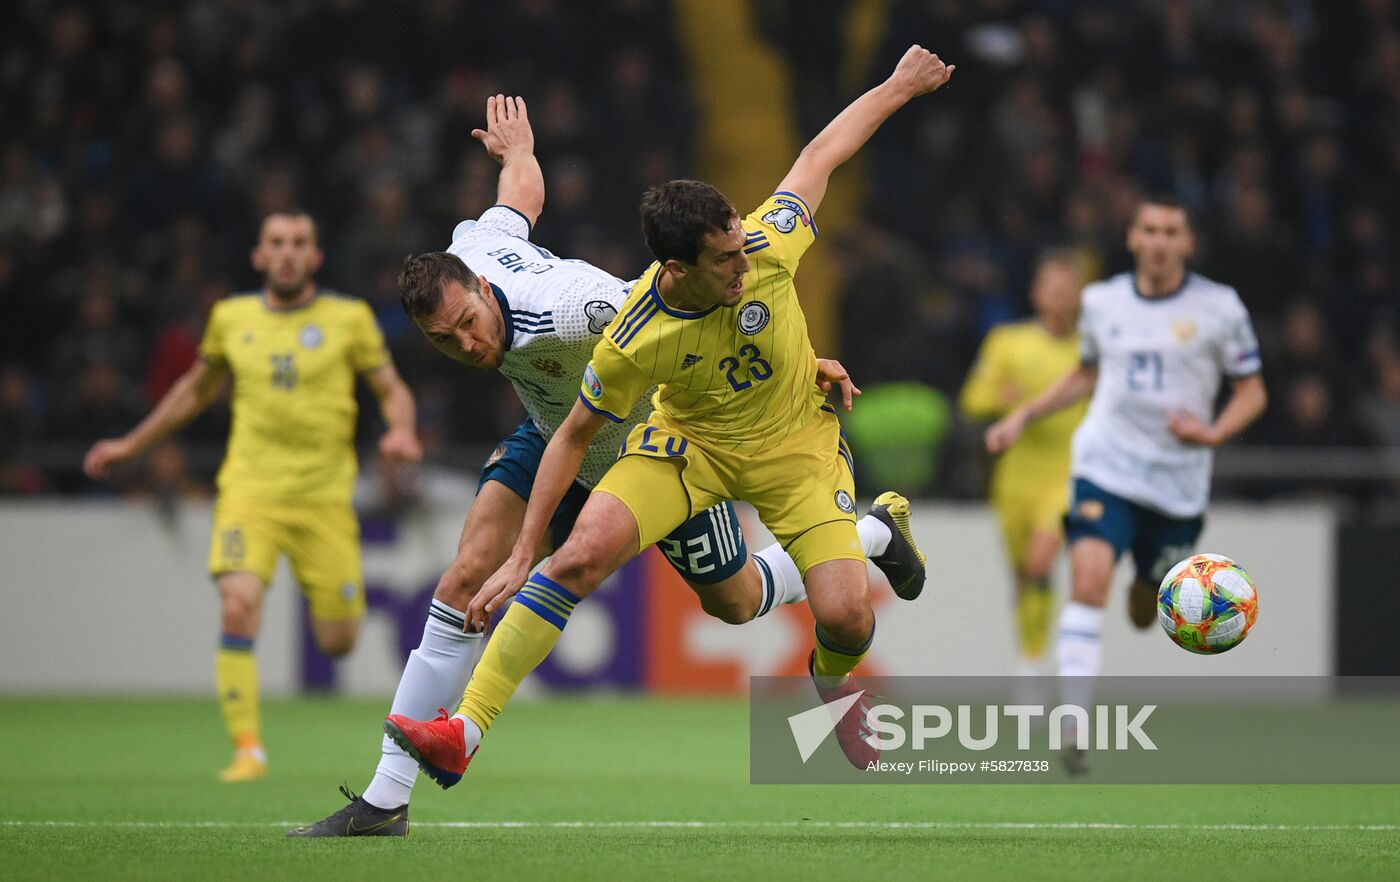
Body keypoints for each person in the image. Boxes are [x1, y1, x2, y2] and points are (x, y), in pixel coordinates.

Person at [288, 96, 922, 836]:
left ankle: (870, 535)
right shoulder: (476, 252)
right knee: (467, 578)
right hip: (556, 427)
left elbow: (687, 318)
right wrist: (518, 153)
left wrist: (800, 362)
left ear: (487, 296)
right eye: (445, 340)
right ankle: (386, 798)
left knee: (738, 600)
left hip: (658, 434)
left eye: (469, 325)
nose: (466, 345)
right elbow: (517, 201)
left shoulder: (583, 308)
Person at [83, 211, 422, 782]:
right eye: (276, 244)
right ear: (258, 257)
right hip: (249, 492)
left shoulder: (349, 319)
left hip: (323, 500)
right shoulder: (231, 318)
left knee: (340, 640)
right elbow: (194, 391)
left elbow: (391, 389)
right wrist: (132, 444)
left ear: (315, 257)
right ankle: (247, 750)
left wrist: (402, 430)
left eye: (299, 244)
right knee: (238, 602)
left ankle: (274, 712)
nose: (287, 253)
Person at [984, 196, 1267, 772]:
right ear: (1133, 239)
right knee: (1087, 582)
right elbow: (1087, 373)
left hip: (1177, 484)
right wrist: (1022, 415)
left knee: (1145, 608)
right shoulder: (1101, 301)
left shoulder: (1220, 308)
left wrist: (1213, 435)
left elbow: (1252, 391)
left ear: (1188, 244)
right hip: (1105, 466)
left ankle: (1148, 586)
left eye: (1172, 232)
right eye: (1149, 230)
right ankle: (1075, 726)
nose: (1160, 241)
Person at [959, 250, 1085, 675]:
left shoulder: (1090, 352)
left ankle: (1033, 663)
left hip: (1069, 476)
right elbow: (972, 399)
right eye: (1052, 286)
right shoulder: (1007, 342)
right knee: (1023, 577)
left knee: (1038, 561)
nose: (1060, 296)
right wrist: (1001, 398)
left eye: (1068, 289)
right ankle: (1031, 658)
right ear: (1036, 292)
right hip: (1016, 479)